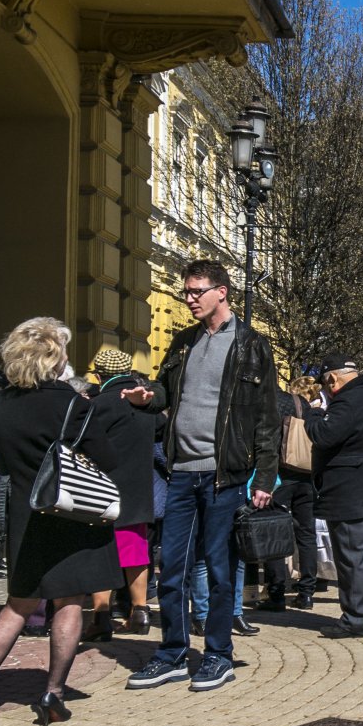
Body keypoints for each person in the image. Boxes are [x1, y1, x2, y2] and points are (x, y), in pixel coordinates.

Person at [0, 318, 154, 725]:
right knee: (70, 601)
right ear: (53, 359)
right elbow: (106, 458)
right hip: (72, 513)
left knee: (17, 605)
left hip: (23, 512)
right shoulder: (70, 402)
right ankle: (52, 693)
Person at [119, 260, 279, 694]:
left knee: (221, 568)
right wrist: (147, 396)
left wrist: (265, 475)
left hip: (224, 476)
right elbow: (168, 392)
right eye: (185, 292)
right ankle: (171, 653)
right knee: (171, 567)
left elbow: (268, 417)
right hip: (181, 474)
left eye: (195, 292)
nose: (188, 299)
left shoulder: (251, 345)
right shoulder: (184, 341)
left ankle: (218, 655)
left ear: (221, 292)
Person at [304, 352, 363, 639]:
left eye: (325, 385)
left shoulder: (349, 401)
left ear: (332, 378)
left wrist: (314, 411)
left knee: (351, 558)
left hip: (352, 493)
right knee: (362, 555)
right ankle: (360, 613)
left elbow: (323, 434)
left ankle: (355, 619)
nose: (326, 390)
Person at [89, 346, 159, 637]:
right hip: (139, 489)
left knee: (100, 554)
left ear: (99, 373)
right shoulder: (146, 403)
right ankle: (140, 612)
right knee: (135, 552)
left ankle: (101, 618)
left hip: (103, 489)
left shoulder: (101, 403)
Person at [256, 375, 325, 611]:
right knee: (306, 534)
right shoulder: (299, 402)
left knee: (274, 531)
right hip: (305, 474)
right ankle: (306, 593)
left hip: (278, 475)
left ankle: (275, 593)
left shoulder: (265, 402)